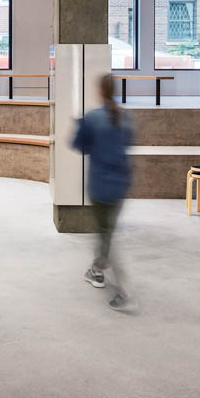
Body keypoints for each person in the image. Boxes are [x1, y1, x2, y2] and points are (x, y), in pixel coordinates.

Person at [72, 75, 135, 309]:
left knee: (105, 234)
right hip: (121, 184)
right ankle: (96, 270)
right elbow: (126, 144)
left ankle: (126, 292)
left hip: (100, 186)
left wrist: (80, 126)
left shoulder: (93, 118)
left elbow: (79, 146)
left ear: (100, 91)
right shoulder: (126, 117)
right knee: (107, 232)